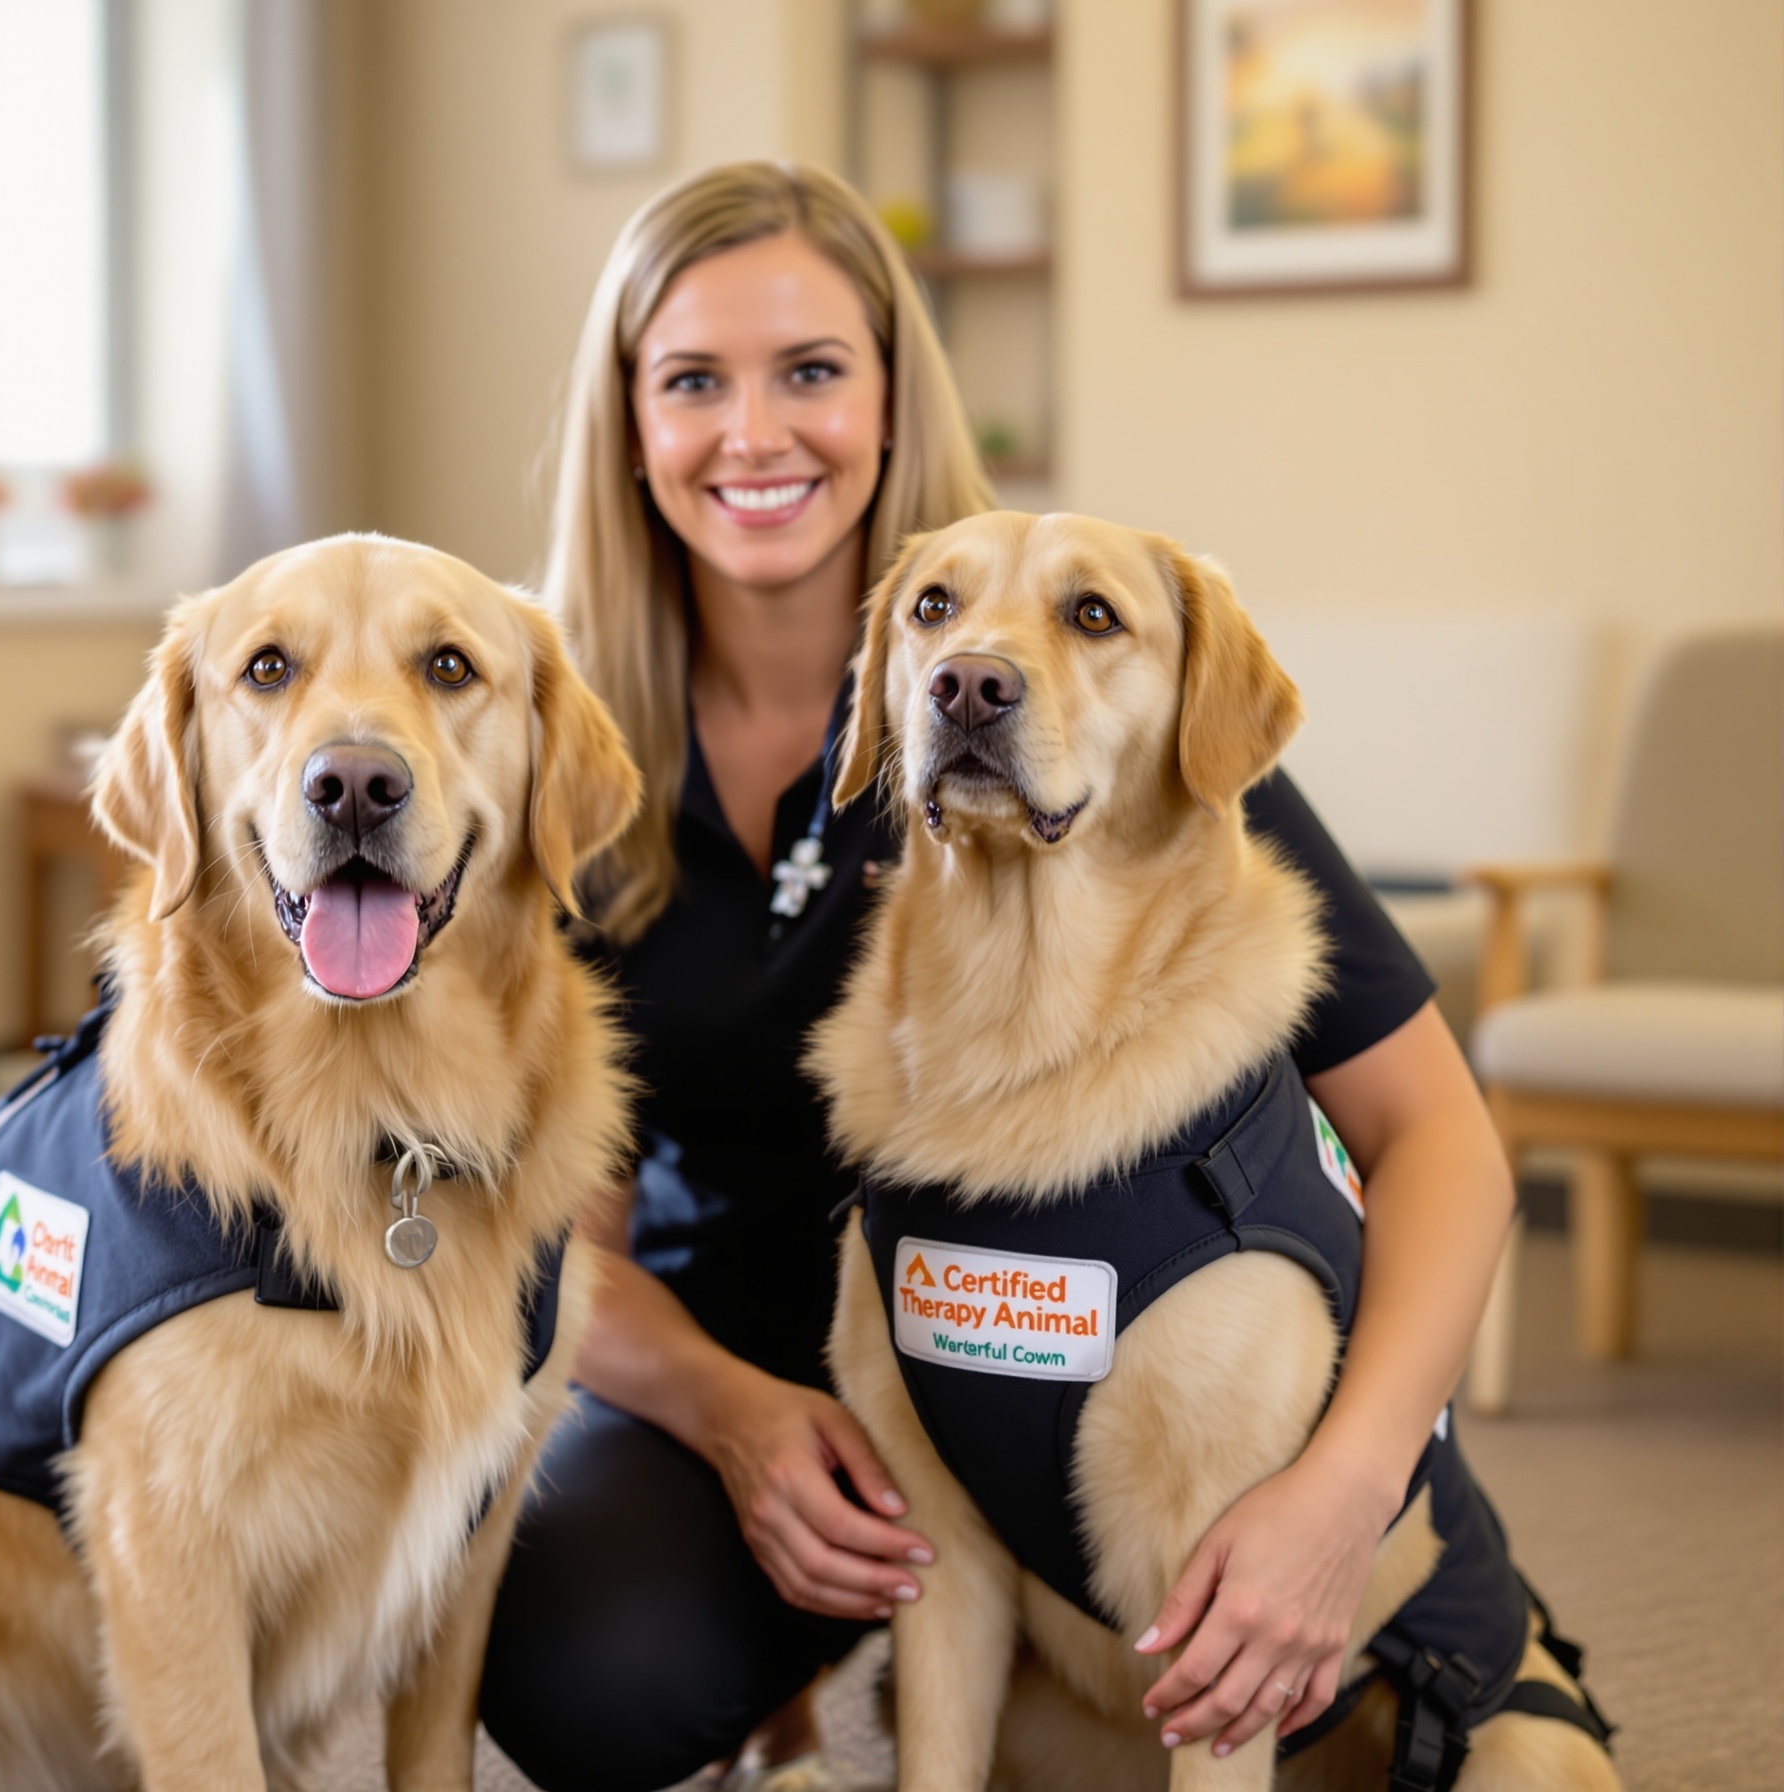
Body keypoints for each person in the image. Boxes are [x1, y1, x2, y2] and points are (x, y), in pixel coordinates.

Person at [477, 162, 1515, 1792]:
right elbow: (553, 1246)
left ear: (890, 402)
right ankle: (822, 1661)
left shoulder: (1105, 689)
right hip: (737, 1362)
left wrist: (1347, 1488)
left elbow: (1439, 1140)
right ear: (631, 425)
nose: (755, 432)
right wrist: (735, 1416)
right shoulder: (554, 753)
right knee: (571, 1673)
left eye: (811, 370)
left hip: (1095, 1345)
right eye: (694, 380)